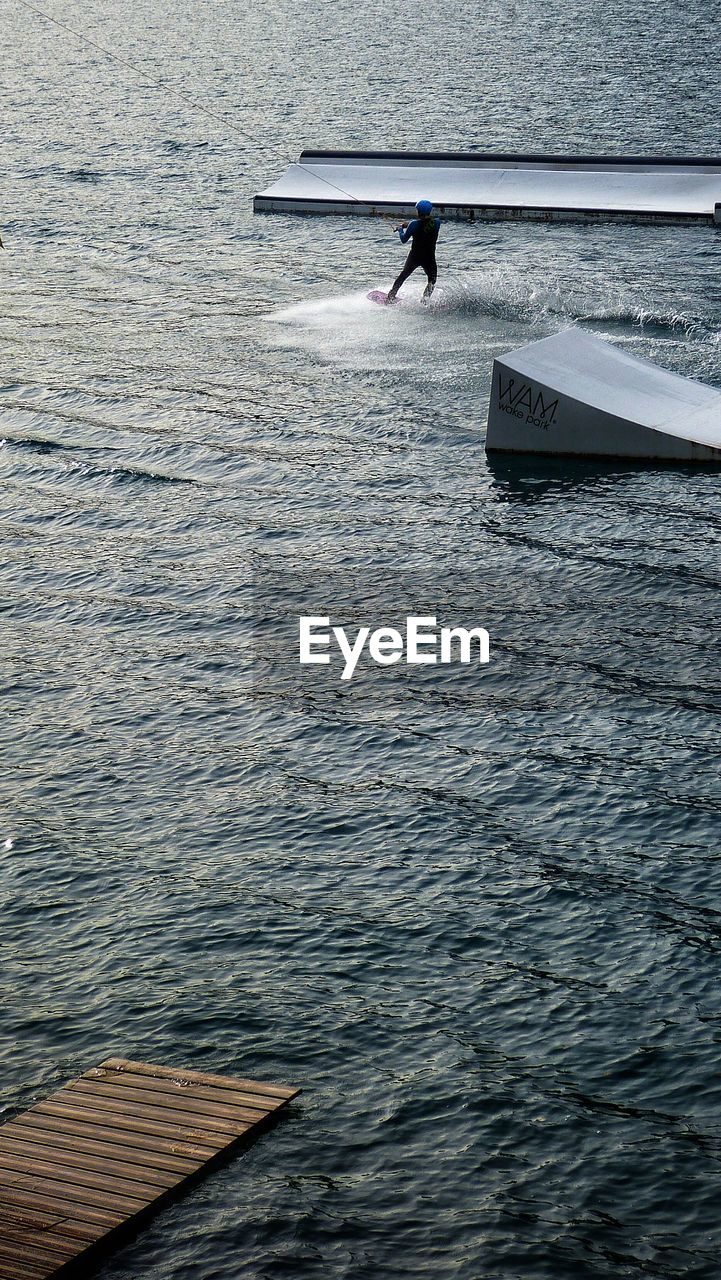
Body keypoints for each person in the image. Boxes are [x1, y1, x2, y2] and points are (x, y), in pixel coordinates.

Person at [386, 199, 441, 304]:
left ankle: (391, 296)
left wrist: (400, 229)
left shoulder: (413, 225)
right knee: (432, 280)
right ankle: (424, 301)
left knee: (403, 276)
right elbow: (424, 223)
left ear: (418, 212)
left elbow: (403, 239)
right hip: (429, 257)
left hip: (415, 257)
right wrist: (406, 225)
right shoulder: (437, 223)